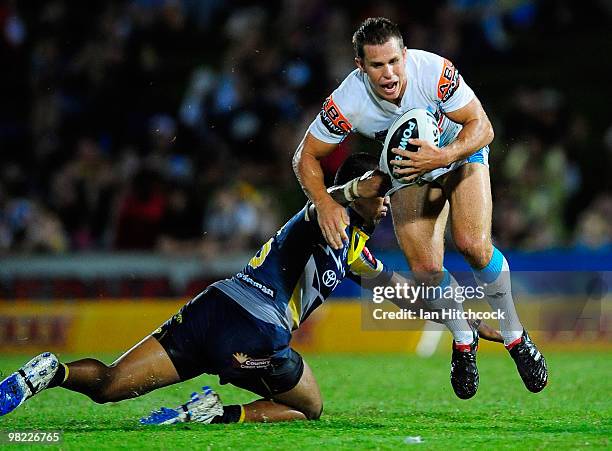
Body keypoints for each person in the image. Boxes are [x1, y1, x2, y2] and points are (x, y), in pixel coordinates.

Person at [0, 154, 502, 424]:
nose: (389, 204)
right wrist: (369, 179)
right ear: (362, 189)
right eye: (384, 194)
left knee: (109, 386)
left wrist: (471, 324)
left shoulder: (352, 249)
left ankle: (50, 370)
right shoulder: (320, 214)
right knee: (311, 407)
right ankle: (216, 413)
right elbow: (334, 198)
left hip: (214, 308)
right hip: (253, 332)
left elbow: (403, 292)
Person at [292, 17, 547, 399]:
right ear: (360, 67)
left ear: (405, 55)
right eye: (376, 66)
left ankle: (514, 335)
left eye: (394, 61)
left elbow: (482, 126)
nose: (388, 73)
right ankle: (463, 340)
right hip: (409, 169)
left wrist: (442, 155)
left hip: (459, 151)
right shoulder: (348, 100)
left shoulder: (434, 71)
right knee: (426, 269)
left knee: (472, 244)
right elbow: (304, 157)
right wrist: (325, 202)